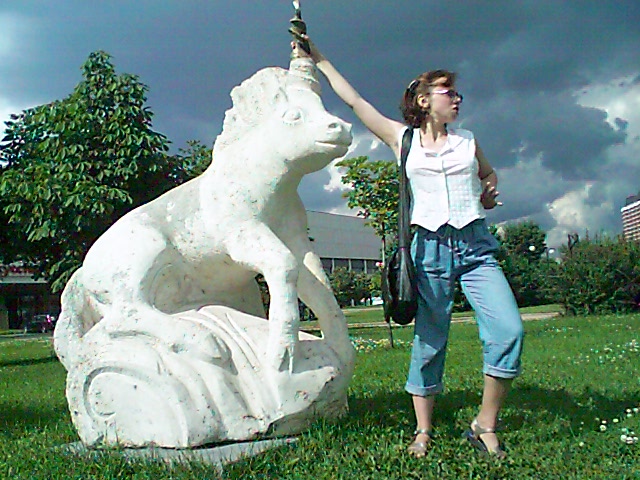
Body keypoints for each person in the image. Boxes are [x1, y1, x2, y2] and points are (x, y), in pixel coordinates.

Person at [291, 36, 524, 458]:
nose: (457, 98)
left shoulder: (468, 141)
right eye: (448, 91)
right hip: (428, 250)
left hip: (475, 247)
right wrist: (318, 57)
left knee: (509, 330)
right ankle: (423, 430)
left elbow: (488, 176)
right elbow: (355, 102)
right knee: (430, 342)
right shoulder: (403, 139)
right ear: (423, 100)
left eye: (457, 92)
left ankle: (484, 424)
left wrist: (489, 192)